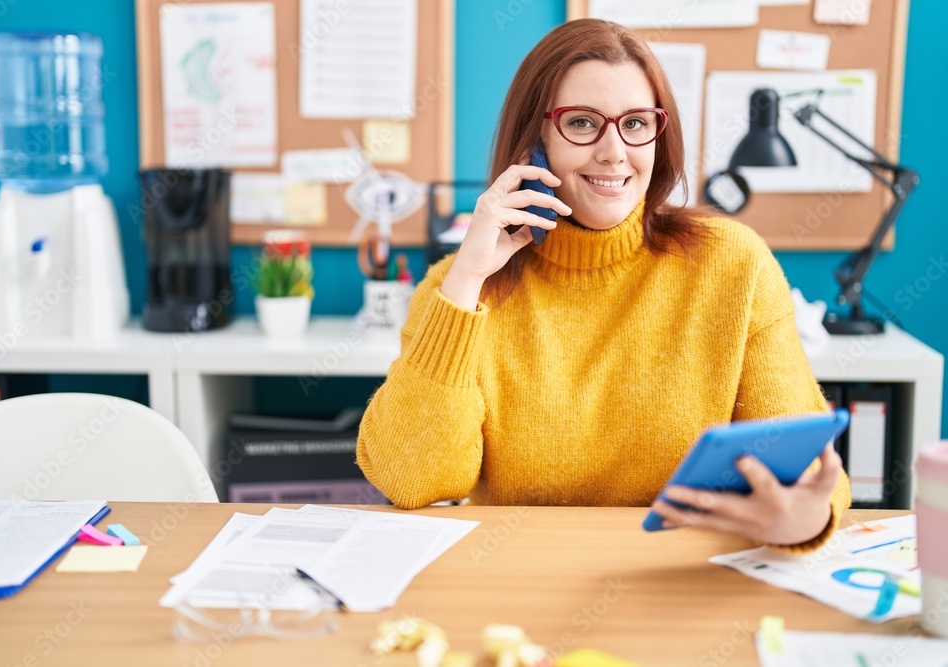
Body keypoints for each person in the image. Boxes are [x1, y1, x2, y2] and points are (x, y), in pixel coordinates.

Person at [356, 19, 850, 552]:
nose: (615, 152)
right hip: (517, 585)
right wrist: (468, 280)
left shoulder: (733, 264)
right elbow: (412, 479)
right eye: (583, 123)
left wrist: (804, 518)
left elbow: (807, 472)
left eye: (635, 124)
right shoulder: (458, 287)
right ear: (535, 138)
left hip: (679, 580)